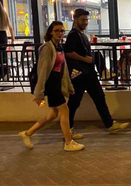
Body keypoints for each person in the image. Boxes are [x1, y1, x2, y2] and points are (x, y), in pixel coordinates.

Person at [19, 21, 84, 152]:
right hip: (51, 84)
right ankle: (68, 142)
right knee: (65, 111)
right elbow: (42, 71)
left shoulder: (58, 47)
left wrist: (69, 86)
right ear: (50, 32)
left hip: (56, 83)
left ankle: (27, 133)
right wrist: (39, 94)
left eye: (62, 31)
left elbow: (63, 69)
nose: (60, 33)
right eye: (57, 31)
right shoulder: (47, 48)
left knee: (53, 114)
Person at [64, 9, 129, 138]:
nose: (86, 22)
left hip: (87, 73)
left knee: (99, 97)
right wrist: (85, 59)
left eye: (87, 20)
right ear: (75, 19)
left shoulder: (80, 34)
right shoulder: (73, 35)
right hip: (80, 74)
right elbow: (68, 52)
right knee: (74, 103)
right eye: (83, 20)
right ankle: (68, 129)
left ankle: (110, 124)